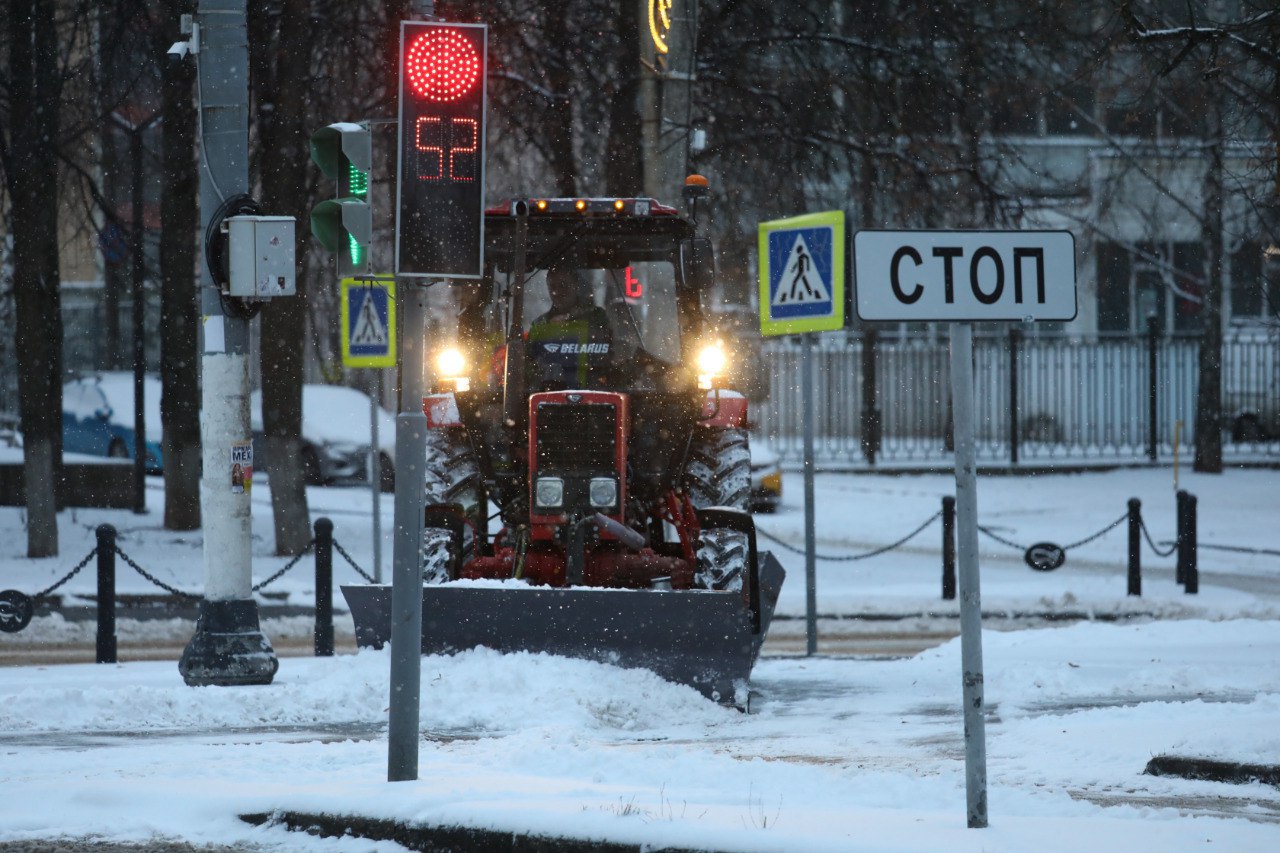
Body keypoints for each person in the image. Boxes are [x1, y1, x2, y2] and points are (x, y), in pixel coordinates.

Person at [527, 267, 614, 390]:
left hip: (597, 396)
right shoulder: (539, 325)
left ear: (576, 286)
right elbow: (527, 368)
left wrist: (572, 317)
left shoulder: (597, 317)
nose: (557, 292)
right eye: (553, 287)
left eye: (563, 285)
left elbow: (614, 354)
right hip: (547, 400)